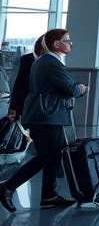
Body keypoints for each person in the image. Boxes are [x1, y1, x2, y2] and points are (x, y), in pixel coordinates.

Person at [0, 28, 87, 211]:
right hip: (47, 116)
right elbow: (70, 88)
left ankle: (49, 196)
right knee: (45, 156)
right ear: (57, 44)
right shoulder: (51, 62)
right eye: (67, 40)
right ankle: (7, 187)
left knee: (54, 154)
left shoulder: (44, 61)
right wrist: (80, 88)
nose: (70, 43)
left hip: (45, 114)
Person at [7, 36, 44, 121]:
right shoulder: (28, 59)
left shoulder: (29, 59)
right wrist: (13, 107)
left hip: (34, 104)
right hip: (28, 103)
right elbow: (19, 84)